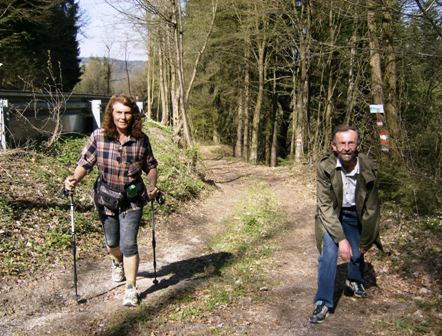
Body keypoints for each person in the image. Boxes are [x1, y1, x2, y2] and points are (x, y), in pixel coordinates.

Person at [64, 94, 158, 307]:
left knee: (129, 244)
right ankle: (117, 262)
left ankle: (131, 288)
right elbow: (85, 163)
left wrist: (152, 186)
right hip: (106, 198)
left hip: (132, 201)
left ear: (133, 115)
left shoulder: (141, 140)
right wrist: (74, 179)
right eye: (119, 113)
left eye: (127, 113)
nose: (123, 117)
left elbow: (151, 166)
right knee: (112, 243)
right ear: (111, 114)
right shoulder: (99, 136)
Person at [309, 124, 381, 323]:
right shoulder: (325, 167)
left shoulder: (369, 166)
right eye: (342, 143)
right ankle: (322, 301)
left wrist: (367, 239)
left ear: (357, 145)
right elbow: (324, 206)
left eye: (351, 143)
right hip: (331, 215)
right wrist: (341, 239)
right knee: (329, 255)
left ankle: (354, 279)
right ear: (334, 146)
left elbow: (372, 207)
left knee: (358, 251)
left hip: (355, 214)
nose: (346, 147)